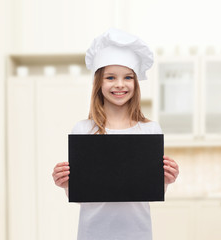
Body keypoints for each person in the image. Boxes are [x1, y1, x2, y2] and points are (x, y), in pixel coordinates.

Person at [52, 28, 179, 240]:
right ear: (99, 83)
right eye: (110, 77)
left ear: (135, 83)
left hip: (137, 232)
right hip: (93, 232)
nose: (120, 84)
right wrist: (66, 184)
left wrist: (167, 180)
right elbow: (83, 195)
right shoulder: (83, 130)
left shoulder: (150, 130)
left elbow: (149, 190)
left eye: (127, 77)